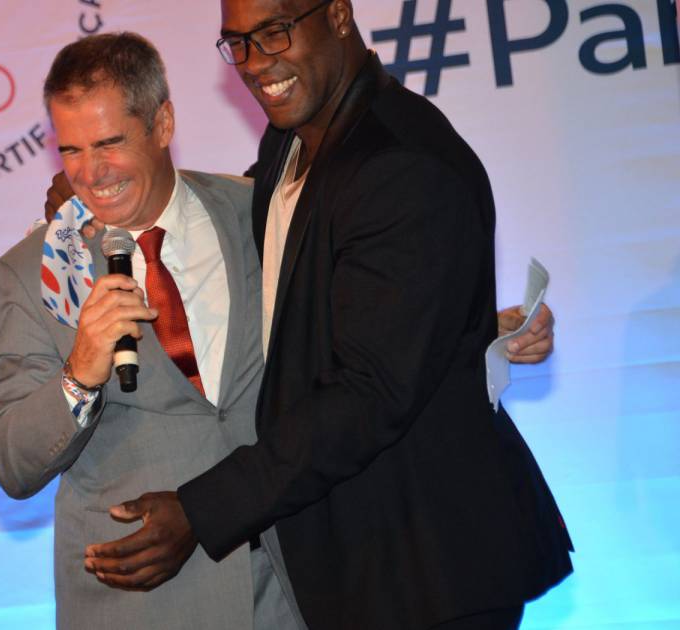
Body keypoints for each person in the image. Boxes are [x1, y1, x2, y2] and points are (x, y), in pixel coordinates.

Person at [79, 2, 574, 629]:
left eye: (276, 32)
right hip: (372, 560)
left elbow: (368, 392)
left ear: (337, 14)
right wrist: (103, 188)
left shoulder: (402, 164)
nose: (258, 63)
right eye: (239, 44)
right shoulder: (296, 138)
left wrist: (202, 510)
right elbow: (289, 255)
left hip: (429, 568)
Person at [0, 33, 306, 629]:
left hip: (293, 593)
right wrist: (80, 373)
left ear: (163, 124)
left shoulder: (259, 211)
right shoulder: (30, 275)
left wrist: (476, 334)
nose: (91, 172)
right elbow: (11, 462)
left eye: (110, 142)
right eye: (71, 150)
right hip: (144, 609)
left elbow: (341, 339)